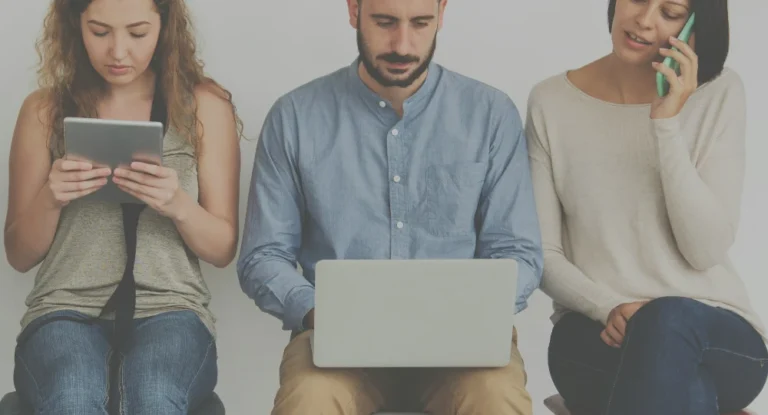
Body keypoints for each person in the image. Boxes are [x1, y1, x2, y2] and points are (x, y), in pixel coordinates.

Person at [236, 0, 543, 413]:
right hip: (337, 346)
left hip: (463, 344)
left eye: (420, 23)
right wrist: (316, 312)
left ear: (442, 13)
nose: (402, 44)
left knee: (496, 398)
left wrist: (480, 312)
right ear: (353, 11)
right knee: (309, 399)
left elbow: (518, 251)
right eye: (384, 22)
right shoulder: (295, 117)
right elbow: (262, 255)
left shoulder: (489, 114)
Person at [525, 0, 768, 414]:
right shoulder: (551, 101)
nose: (644, 19)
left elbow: (704, 249)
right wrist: (607, 307)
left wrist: (666, 124)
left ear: (695, 25)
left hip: (710, 329)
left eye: (669, 11)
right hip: (595, 331)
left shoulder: (720, 92)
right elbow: (542, 255)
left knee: (667, 321)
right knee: (684, 389)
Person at [4, 0, 242, 414]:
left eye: (136, 33)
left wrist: (178, 204)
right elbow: (19, 254)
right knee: (73, 393)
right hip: (64, 308)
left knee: (153, 393)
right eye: (99, 32)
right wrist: (51, 197)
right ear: (74, 24)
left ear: (164, 26)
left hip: (171, 310)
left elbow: (222, 249)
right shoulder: (43, 111)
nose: (117, 52)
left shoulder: (204, 107)